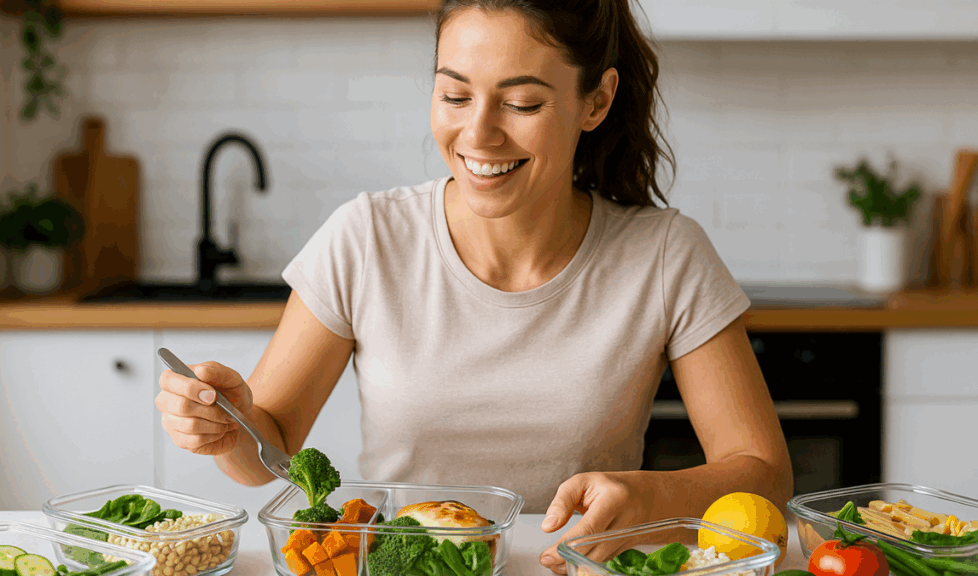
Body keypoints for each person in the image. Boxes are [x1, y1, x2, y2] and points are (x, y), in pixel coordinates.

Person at [155, 0, 794, 573]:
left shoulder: (664, 255)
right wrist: (228, 428)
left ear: (595, 102)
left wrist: (652, 492)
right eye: (455, 96)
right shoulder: (367, 237)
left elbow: (766, 474)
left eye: (522, 103)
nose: (479, 135)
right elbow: (268, 453)